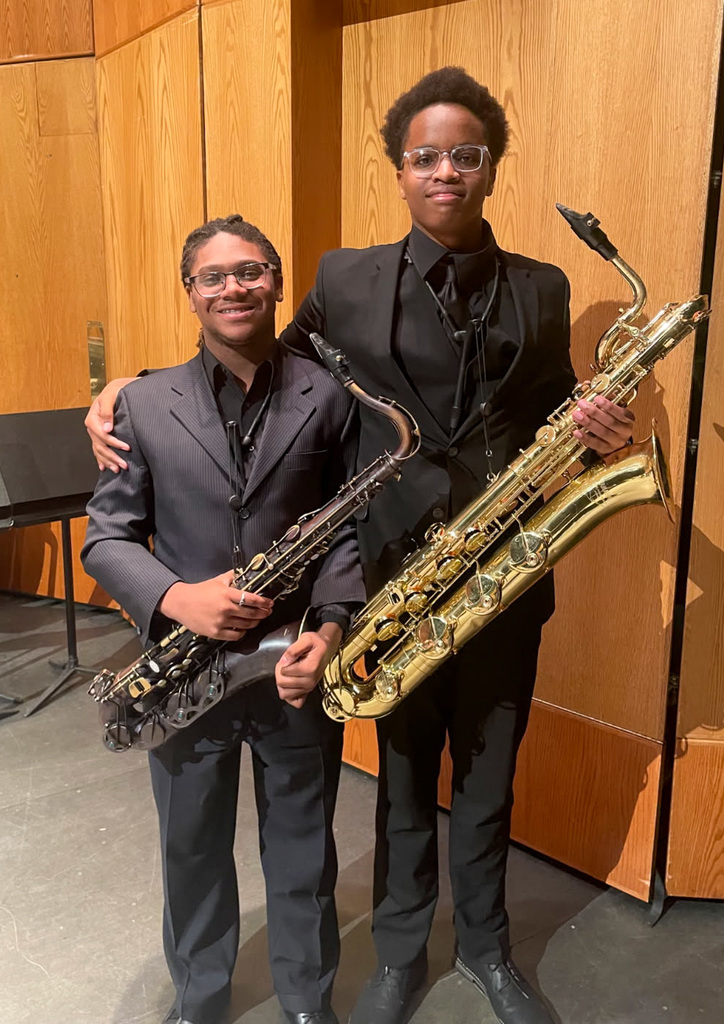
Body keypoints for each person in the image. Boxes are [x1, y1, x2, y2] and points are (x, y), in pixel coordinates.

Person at [87, 70, 634, 1024]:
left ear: (490, 166)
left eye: (465, 155)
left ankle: (490, 953)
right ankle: (395, 957)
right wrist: (128, 390)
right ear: (400, 170)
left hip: (502, 577)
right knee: (406, 781)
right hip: (391, 582)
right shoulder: (344, 278)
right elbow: (262, 357)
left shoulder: (544, 286)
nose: (445, 172)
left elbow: (547, 402)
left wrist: (595, 422)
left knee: (491, 779)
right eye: (425, 157)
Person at [82, 215, 365, 1024]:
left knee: (304, 844)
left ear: (277, 280)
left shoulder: (328, 394)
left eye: (251, 272)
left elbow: (343, 528)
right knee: (192, 848)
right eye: (213, 276)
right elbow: (106, 539)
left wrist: (332, 630)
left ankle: (308, 1000)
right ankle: (201, 999)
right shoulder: (138, 402)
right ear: (190, 293)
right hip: (181, 665)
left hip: (290, 659)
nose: (233, 288)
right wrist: (179, 599)